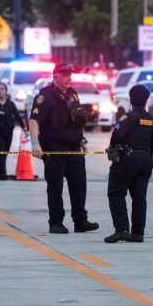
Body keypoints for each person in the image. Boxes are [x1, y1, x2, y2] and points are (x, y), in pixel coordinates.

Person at [29, 63, 99, 234]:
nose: (69, 78)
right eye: (65, 75)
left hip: (74, 147)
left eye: (70, 74)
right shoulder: (45, 96)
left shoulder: (72, 93)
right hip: (54, 149)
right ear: (55, 77)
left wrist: (81, 141)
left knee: (79, 185)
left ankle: (80, 221)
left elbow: (77, 120)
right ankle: (56, 222)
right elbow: (33, 120)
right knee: (55, 187)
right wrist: (35, 144)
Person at [104, 84, 153, 243]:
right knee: (139, 196)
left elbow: (116, 136)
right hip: (146, 160)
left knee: (116, 193)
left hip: (127, 160)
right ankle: (138, 233)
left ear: (131, 99)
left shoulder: (128, 118)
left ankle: (122, 230)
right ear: (146, 100)